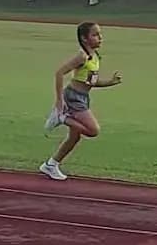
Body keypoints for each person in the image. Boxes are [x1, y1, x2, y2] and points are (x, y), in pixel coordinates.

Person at [40, 21, 121, 182]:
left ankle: (51, 164)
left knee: (74, 137)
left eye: (100, 34)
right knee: (93, 130)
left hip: (83, 98)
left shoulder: (94, 57)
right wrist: (59, 101)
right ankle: (61, 118)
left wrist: (111, 82)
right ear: (84, 39)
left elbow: (91, 82)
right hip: (73, 97)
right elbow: (59, 73)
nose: (100, 38)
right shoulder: (82, 56)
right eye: (95, 35)